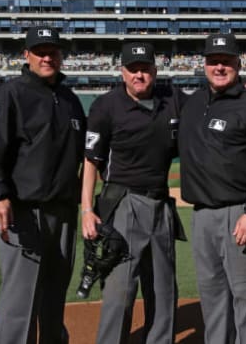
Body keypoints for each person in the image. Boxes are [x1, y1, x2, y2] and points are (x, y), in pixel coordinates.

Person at [0, 26, 86, 344]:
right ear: (27, 55)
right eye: (40, 51)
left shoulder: (70, 101)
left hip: (62, 213)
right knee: (20, 301)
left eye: (53, 51)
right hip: (24, 211)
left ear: (61, 55)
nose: (47, 57)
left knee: (54, 296)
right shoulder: (10, 94)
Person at [81, 42, 187, 344]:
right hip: (122, 202)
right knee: (120, 290)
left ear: (155, 70)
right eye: (133, 69)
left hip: (160, 204)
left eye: (145, 68)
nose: (139, 75)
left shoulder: (173, 99)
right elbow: (91, 160)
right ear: (122, 72)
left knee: (164, 291)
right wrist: (87, 210)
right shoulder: (106, 105)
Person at [179, 33, 246, 344]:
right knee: (212, 297)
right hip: (202, 216)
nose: (219, 67)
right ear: (203, 64)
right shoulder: (193, 103)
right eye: (213, 61)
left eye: (226, 61)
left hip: (241, 214)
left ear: (238, 63)